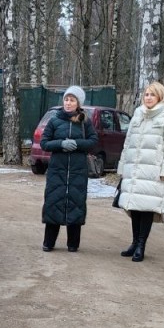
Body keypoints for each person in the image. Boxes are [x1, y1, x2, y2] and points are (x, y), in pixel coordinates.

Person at [115, 81, 164, 262]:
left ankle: (141, 245)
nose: (148, 97)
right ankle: (134, 242)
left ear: (160, 97)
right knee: (134, 208)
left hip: (153, 171)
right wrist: (122, 166)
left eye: (152, 94)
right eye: (146, 94)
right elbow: (128, 143)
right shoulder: (137, 114)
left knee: (146, 209)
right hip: (134, 169)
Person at [40, 85, 98, 252]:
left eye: (72, 100)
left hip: (77, 171)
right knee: (54, 202)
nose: (68, 103)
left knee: (76, 204)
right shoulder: (54, 120)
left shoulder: (85, 121)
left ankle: (73, 244)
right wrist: (61, 144)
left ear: (78, 103)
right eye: (66, 99)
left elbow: (93, 141)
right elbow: (44, 143)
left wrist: (77, 145)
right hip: (57, 170)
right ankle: (48, 242)